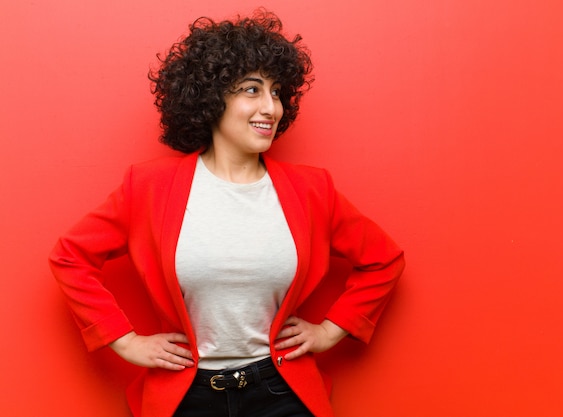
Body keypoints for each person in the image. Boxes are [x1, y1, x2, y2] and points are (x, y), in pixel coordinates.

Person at [49, 10, 404, 417]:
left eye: (276, 92)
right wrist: (125, 341)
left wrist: (330, 330)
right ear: (212, 96)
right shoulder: (148, 187)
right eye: (252, 90)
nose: (271, 107)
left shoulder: (312, 190)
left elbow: (384, 259)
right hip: (187, 396)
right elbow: (69, 257)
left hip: (280, 393)